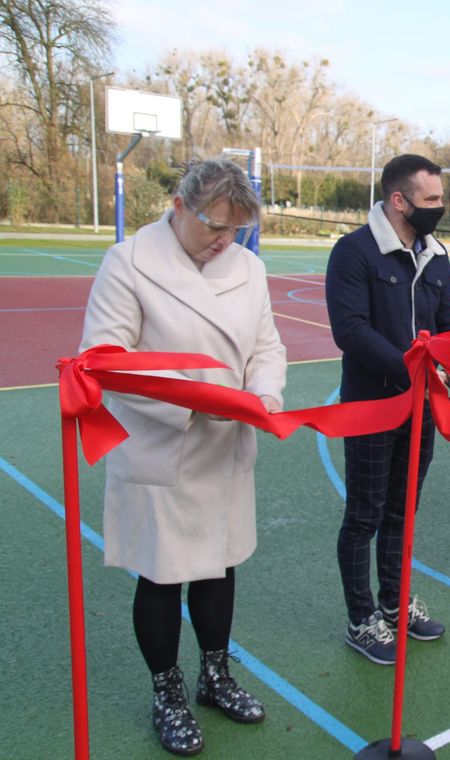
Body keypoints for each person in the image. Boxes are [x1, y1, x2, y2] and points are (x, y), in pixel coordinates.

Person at [80, 158, 286, 756]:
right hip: (162, 442)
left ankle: (214, 675)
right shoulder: (130, 263)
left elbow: (267, 346)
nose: (225, 241)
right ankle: (166, 692)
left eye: (235, 231)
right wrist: (197, 401)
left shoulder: (247, 267)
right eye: (215, 227)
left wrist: (263, 396)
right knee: (162, 574)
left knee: (220, 566)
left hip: (226, 445)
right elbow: (105, 358)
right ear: (178, 205)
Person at [325, 154, 450, 665]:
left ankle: (394, 604)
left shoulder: (436, 255)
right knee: (364, 514)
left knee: (402, 512)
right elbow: (351, 331)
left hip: (424, 408)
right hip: (373, 407)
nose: (440, 208)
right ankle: (361, 618)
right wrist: (408, 370)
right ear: (398, 200)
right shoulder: (354, 253)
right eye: (431, 200)